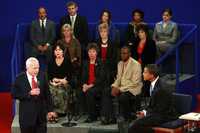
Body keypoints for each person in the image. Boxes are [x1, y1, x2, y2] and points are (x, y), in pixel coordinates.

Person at [11, 57, 56, 133]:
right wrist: (29, 93)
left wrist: (50, 110)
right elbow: (14, 94)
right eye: (34, 68)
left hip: (41, 117)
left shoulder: (42, 76)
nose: (37, 70)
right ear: (27, 68)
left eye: (38, 68)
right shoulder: (19, 78)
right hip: (26, 117)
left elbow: (47, 94)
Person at [128, 64, 177, 133]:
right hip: (157, 113)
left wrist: (146, 114)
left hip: (165, 116)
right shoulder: (152, 84)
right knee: (135, 123)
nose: (142, 74)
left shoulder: (161, 88)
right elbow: (153, 105)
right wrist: (144, 112)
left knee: (134, 126)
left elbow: (160, 110)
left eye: (145, 72)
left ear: (152, 75)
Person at [111, 46, 143, 121]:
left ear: (129, 54)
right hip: (122, 87)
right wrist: (114, 86)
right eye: (121, 53)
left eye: (125, 53)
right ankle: (110, 117)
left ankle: (128, 117)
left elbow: (135, 83)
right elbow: (118, 78)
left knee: (123, 96)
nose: (122, 55)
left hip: (133, 88)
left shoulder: (136, 64)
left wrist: (120, 89)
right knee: (107, 92)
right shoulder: (120, 64)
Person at [79, 43, 105, 123]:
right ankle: (81, 113)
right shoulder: (85, 63)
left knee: (90, 92)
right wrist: (84, 85)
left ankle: (92, 116)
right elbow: (82, 76)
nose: (91, 54)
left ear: (96, 52)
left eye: (93, 51)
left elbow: (101, 78)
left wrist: (89, 86)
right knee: (79, 92)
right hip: (87, 85)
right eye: (90, 52)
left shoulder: (100, 62)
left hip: (98, 85)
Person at [47, 42, 72, 117]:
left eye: (59, 50)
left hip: (65, 84)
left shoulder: (67, 61)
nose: (57, 52)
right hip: (53, 84)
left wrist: (60, 81)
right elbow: (49, 76)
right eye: (56, 50)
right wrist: (53, 82)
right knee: (50, 91)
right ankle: (52, 112)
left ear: (63, 51)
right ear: (54, 52)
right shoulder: (51, 62)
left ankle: (60, 112)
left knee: (60, 91)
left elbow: (70, 76)